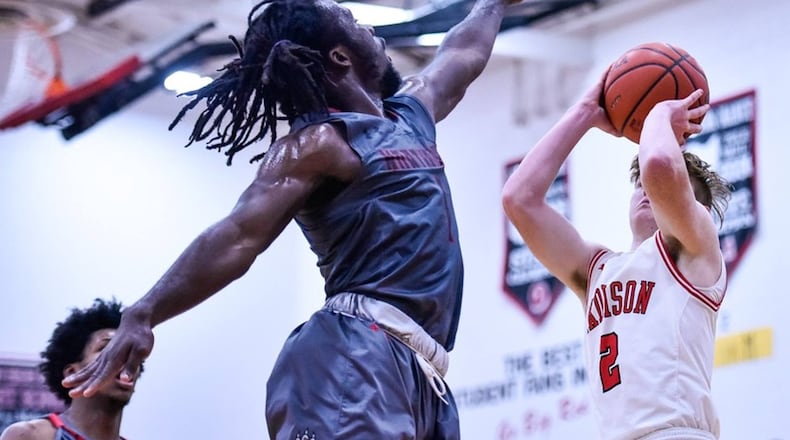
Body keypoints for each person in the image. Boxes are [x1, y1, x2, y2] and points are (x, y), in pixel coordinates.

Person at [62, 0, 519, 438]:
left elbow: (461, 54)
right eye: (352, 20)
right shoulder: (318, 144)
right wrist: (144, 312)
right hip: (356, 352)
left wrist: (493, 4)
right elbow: (238, 235)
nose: (369, 27)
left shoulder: (410, 116)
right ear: (340, 56)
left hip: (422, 371)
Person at [502, 75, 731, 440]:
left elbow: (658, 164)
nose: (646, 190)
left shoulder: (695, 248)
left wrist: (658, 113)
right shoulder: (597, 270)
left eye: (659, 187)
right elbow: (519, 199)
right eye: (639, 185)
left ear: (697, 211)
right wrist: (584, 113)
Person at [0, 298, 140, 440]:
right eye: (106, 348)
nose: (123, 358)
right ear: (72, 373)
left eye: (129, 351)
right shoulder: (30, 435)